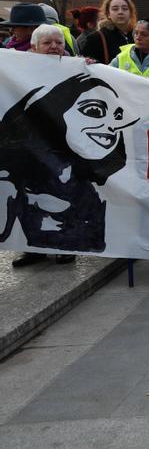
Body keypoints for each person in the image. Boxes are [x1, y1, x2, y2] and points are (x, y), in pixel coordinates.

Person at [5, 24, 85, 267]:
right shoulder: (16, 69)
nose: (54, 47)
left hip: (63, 146)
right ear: (34, 48)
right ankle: (33, 248)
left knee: (65, 194)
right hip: (29, 147)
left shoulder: (78, 68)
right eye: (48, 43)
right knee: (28, 196)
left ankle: (66, 245)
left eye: (58, 43)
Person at [81, 0, 137, 65]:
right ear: (108, 14)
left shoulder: (139, 36)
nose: (120, 12)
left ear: (130, 13)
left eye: (125, 8)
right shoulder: (95, 38)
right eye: (115, 9)